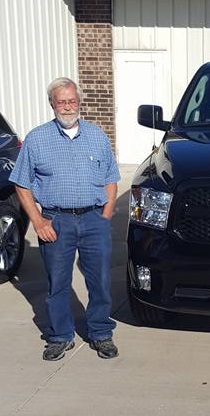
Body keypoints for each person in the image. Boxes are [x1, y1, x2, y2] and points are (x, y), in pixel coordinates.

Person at [9, 77, 121, 361]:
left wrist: (106, 215)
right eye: (62, 102)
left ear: (79, 102)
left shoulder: (97, 135)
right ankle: (60, 336)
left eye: (72, 101)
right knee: (58, 282)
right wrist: (38, 221)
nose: (68, 107)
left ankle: (100, 332)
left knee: (100, 280)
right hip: (56, 221)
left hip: (94, 219)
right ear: (52, 104)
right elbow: (22, 184)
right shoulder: (37, 139)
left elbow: (111, 179)